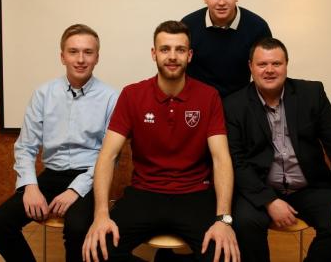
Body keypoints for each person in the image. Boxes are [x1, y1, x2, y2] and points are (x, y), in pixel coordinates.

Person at [82, 20, 240, 262]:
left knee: (224, 256)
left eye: (180, 50)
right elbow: (108, 155)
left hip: (194, 194)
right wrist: (101, 214)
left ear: (190, 55)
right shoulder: (132, 95)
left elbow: (221, 158)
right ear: (154, 54)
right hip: (145, 193)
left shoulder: (209, 96)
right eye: (165, 49)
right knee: (98, 251)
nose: (172, 56)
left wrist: (223, 219)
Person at [223, 37, 331, 261]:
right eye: (262, 64)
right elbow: (236, 161)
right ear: (250, 67)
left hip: (308, 187)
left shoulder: (312, 94)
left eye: (276, 64)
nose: (269, 70)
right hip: (260, 188)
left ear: (286, 65)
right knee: (244, 224)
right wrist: (269, 200)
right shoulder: (233, 105)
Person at [0, 24, 118, 262]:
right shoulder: (43, 94)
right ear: (62, 56)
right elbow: (25, 147)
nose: (80, 59)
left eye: (88, 52)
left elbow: (109, 156)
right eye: (73, 52)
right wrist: (30, 186)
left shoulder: (111, 97)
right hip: (52, 175)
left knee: (77, 228)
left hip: (90, 176)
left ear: (97, 57)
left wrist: (74, 190)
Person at [182, 0, 272, 98]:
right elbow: (177, 69)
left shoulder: (258, 27)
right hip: (198, 102)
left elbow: (266, 73)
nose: (221, 2)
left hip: (240, 104)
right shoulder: (187, 25)